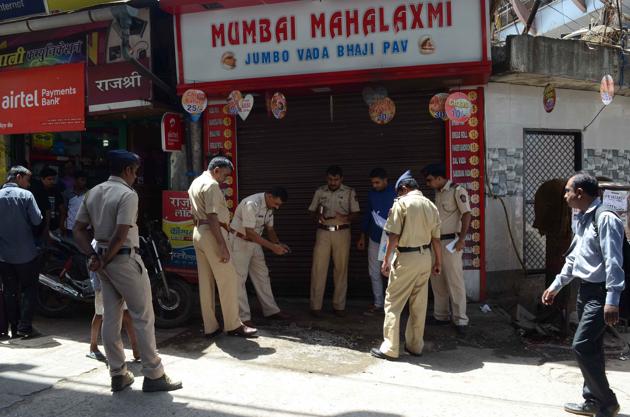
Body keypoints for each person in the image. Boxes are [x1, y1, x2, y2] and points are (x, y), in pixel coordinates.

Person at [73, 150, 181, 393]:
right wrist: (103, 259)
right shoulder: (127, 194)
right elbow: (121, 234)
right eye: (135, 171)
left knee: (111, 317)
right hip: (122, 260)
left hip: (103, 262)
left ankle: (118, 373)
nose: (136, 176)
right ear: (127, 170)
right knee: (143, 316)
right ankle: (154, 373)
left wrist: (94, 257)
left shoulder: (93, 192)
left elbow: (78, 230)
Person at [542, 173, 623, 417]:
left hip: (601, 294)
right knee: (593, 347)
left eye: (568, 190)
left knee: (582, 345)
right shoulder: (582, 218)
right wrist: (556, 285)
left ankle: (607, 402)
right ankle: (591, 400)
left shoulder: (606, 219)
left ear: (580, 193)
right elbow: (575, 258)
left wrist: (612, 300)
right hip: (585, 290)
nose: (565, 195)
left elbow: (613, 261)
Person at [371, 171, 441, 360]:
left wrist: (385, 260)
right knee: (419, 304)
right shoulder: (431, 205)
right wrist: (438, 262)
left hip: (406, 258)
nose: (398, 195)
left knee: (393, 302)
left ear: (403, 189)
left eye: (398, 192)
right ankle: (415, 346)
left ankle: (390, 348)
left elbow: (393, 236)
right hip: (425, 257)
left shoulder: (401, 204)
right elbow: (436, 239)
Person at [188, 156, 257, 338]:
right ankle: (233, 325)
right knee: (228, 280)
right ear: (216, 169)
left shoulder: (196, 182)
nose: (225, 180)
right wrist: (222, 245)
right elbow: (212, 216)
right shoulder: (211, 185)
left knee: (206, 283)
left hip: (198, 232)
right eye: (224, 175)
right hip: (212, 233)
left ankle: (210, 326)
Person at [229, 187, 291, 326]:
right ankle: (243, 318)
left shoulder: (270, 207)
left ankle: (271, 310)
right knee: (239, 280)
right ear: (269, 196)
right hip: (240, 241)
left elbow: (270, 229)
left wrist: (278, 243)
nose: (277, 207)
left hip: (255, 243)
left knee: (262, 275)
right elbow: (249, 232)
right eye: (276, 204)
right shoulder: (252, 204)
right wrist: (272, 247)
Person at [422, 163, 472, 334]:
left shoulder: (458, 191)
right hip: (436, 242)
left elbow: (467, 214)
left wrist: (462, 239)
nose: (427, 184)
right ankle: (441, 315)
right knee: (437, 280)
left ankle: (460, 320)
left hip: (451, 242)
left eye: (429, 180)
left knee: (454, 281)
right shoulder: (438, 193)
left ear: (439, 178)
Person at [308, 165, 360, 317]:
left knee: (341, 269)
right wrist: (317, 215)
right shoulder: (320, 191)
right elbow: (311, 211)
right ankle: (315, 306)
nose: (333, 182)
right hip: (323, 232)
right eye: (330, 179)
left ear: (341, 179)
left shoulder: (349, 191)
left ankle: (339, 306)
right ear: (327, 178)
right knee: (318, 269)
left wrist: (347, 218)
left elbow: (356, 213)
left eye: (336, 179)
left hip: (342, 232)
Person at [0, 166, 43, 339]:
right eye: (27, 180)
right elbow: (37, 219)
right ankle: (25, 327)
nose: (28, 184)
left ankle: (15, 327)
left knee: (10, 290)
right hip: (26, 254)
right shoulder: (26, 196)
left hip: (3, 255)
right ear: (18, 177)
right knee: (28, 289)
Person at [88, 240, 140, 363]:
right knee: (101, 315)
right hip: (102, 285)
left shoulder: (114, 240)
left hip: (118, 283)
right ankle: (93, 346)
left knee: (126, 314)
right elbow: (94, 267)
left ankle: (136, 349)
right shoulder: (98, 244)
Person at [357, 168, 397, 316]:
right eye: (372, 183)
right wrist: (362, 235)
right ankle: (378, 303)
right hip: (374, 238)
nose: (374, 185)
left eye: (377, 182)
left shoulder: (396, 193)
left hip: (392, 239)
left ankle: (392, 305)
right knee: (374, 272)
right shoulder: (371, 194)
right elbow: (368, 214)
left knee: (392, 272)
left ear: (386, 180)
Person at [32, 166, 67, 239]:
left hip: (55, 227)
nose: (52, 181)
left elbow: (63, 210)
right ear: (42, 179)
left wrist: (61, 225)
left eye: (54, 179)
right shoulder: (37, 191)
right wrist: (46, 228)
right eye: (49, 179)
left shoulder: (56, 191)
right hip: (39, 227)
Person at [62, 171, 89, 240]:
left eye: (85, 180)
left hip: (85, 228)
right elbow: (64, 211)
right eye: (82, 180)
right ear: (75, 180)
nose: (84, 182)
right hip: (70, 227)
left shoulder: (89, 194)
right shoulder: (67, 193)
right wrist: (62, 225)